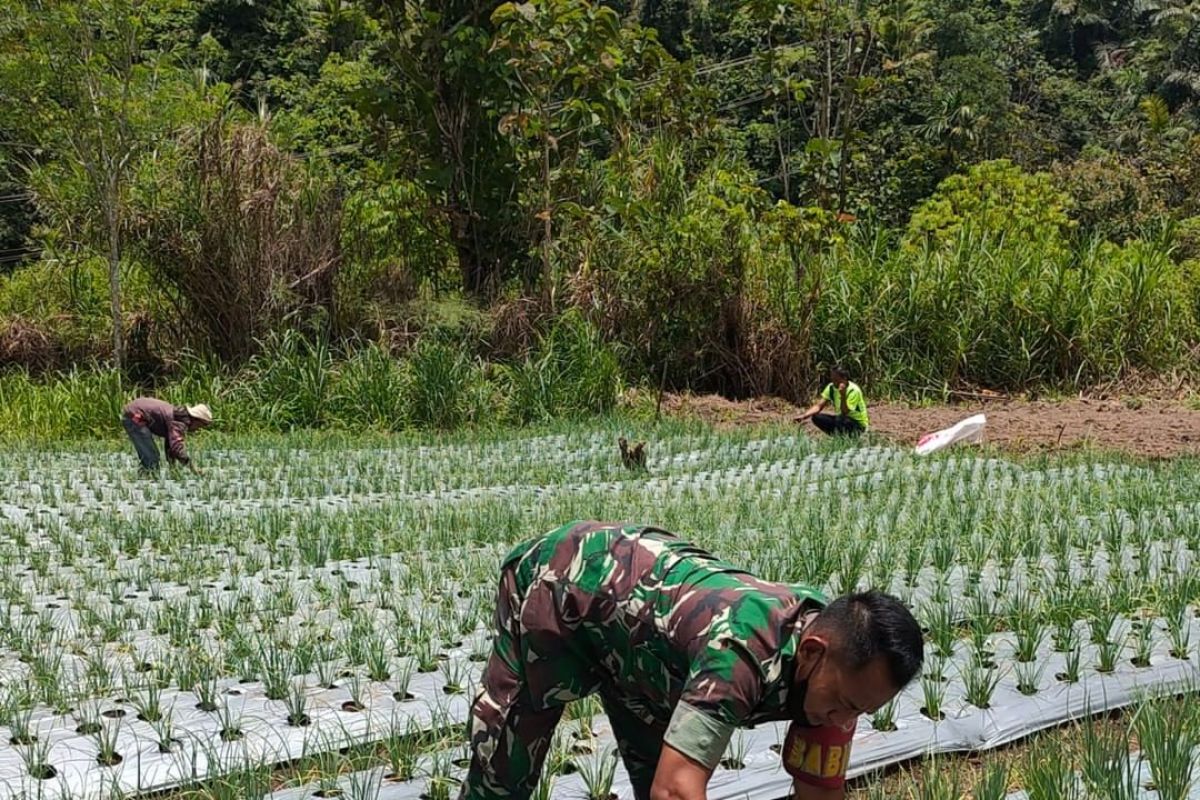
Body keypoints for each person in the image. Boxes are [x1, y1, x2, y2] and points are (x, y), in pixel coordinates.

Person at [460, 520, 924, 800]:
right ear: (810, 652)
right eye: (843, 703)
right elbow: (678, 791)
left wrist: (843, 708)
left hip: (644, 656)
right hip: (560, 589)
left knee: (653, 776)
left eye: (859, 711)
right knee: (503, 773)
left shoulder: (841, 666)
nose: (843, 720)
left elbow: (821, 792)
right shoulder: (739, 656)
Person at [121, 397, 212, 475]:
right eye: (201, 425)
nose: (198, 428)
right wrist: (193, 469)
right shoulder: (178, 423)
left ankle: (144, 478)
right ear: (196, 419)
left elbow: (170, 445)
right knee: (151, 458)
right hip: (135, 416)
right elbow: (176, 447)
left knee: (150, 458)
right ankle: (146, 482)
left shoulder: (178, 417)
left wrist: (172, 468)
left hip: (135, 411)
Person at [796, 367, 869, 436]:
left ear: (844, 378)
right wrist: (804, 416)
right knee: (817, 417)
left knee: (840, 419)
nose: (833, 381)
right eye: (832, 378)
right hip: (841, 420)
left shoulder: (853, 390)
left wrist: (843, 395)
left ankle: (849, 437)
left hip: (857, 424)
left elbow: (845, 412)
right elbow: (819, 406)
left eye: (836, 379)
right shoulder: (831, 387)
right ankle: (838, 437)